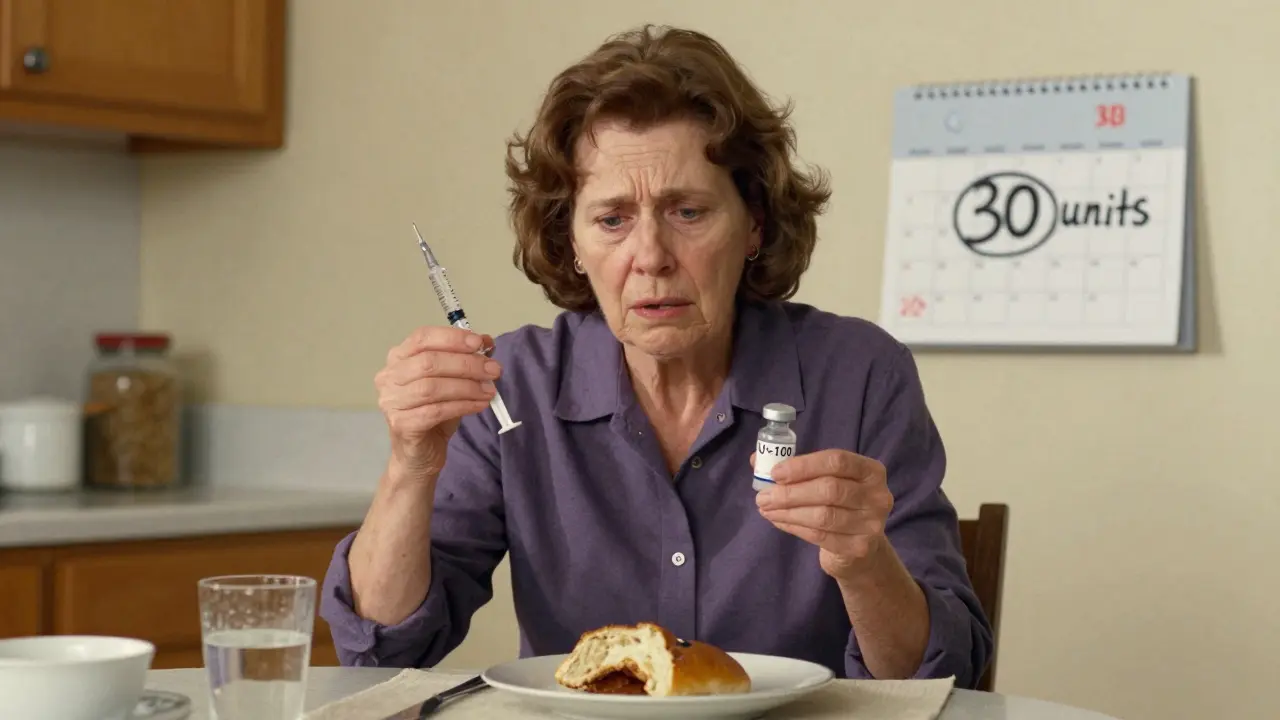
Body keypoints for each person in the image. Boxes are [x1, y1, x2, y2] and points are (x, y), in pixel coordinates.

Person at [320, 24, 994, 688]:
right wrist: (411, 464)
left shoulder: (860, 374)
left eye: (687, 212)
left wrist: (864, 564)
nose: (650, 256)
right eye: (612, 219)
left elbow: (942, 674)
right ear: (572, 243)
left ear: (754, 224)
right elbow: (382, 649)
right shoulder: (512, 385)